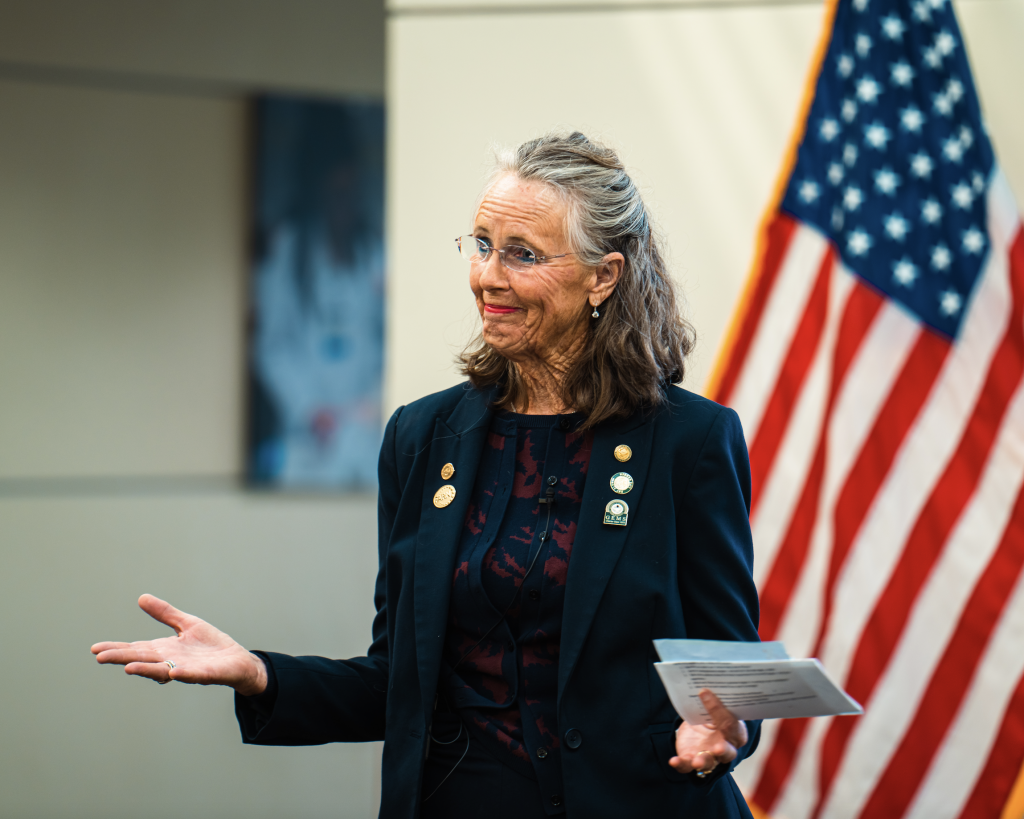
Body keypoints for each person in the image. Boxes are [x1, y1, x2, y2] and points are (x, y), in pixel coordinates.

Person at [92, 132, 762, 818]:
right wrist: (261, 673)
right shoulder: (423, 437)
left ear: (604, 276)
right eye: (480, 244)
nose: (487, 276)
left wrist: (723, 726)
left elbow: (731, 677)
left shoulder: (689, 441)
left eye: (522, 254)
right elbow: (400, 680)